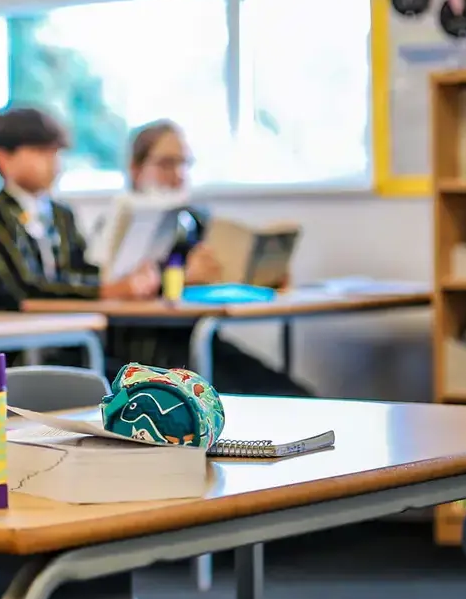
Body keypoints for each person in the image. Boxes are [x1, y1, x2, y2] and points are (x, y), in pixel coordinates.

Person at [109, 120, 313, 395]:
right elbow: (110, 287)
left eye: (184, 163)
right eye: (167, 163)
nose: (178, 174)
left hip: (198, 339)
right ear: (136, 168)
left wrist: (261, 278)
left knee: (295, 397)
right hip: (146, 352)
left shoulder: (193, 220)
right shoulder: (120, 222)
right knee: (251, 400)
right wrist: (182, 279)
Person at [0, 105, 158, 315]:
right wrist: (108, 290)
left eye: (55, 153)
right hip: (3, 336)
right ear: (3, 159)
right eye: (41, 153)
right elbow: (25, 287)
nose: (53, 163)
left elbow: (81, 267)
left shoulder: (61, 214)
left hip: (61, 328)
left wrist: (122, 277)